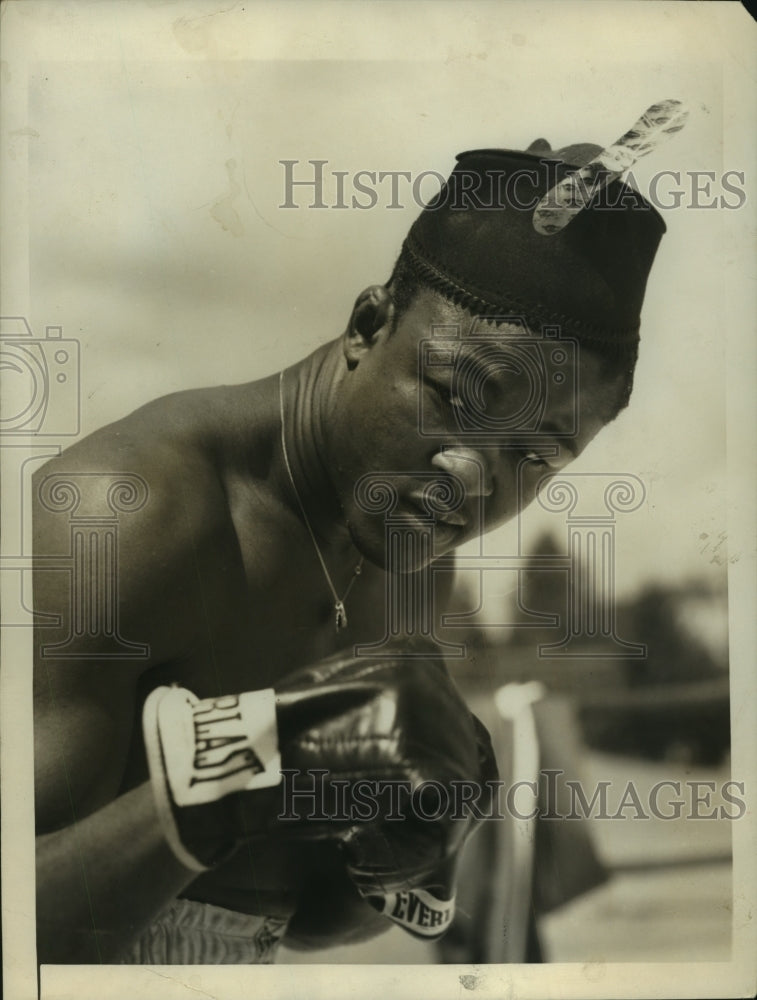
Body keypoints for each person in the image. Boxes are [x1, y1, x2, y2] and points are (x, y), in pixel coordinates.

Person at [32, 136, 667, 965]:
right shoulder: (124, 515)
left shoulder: (414, 555)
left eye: (535, 456)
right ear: (369, 324)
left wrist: (416, 851)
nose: (472, 472)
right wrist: (233, 770)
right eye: (455, 396)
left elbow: (298, 917)